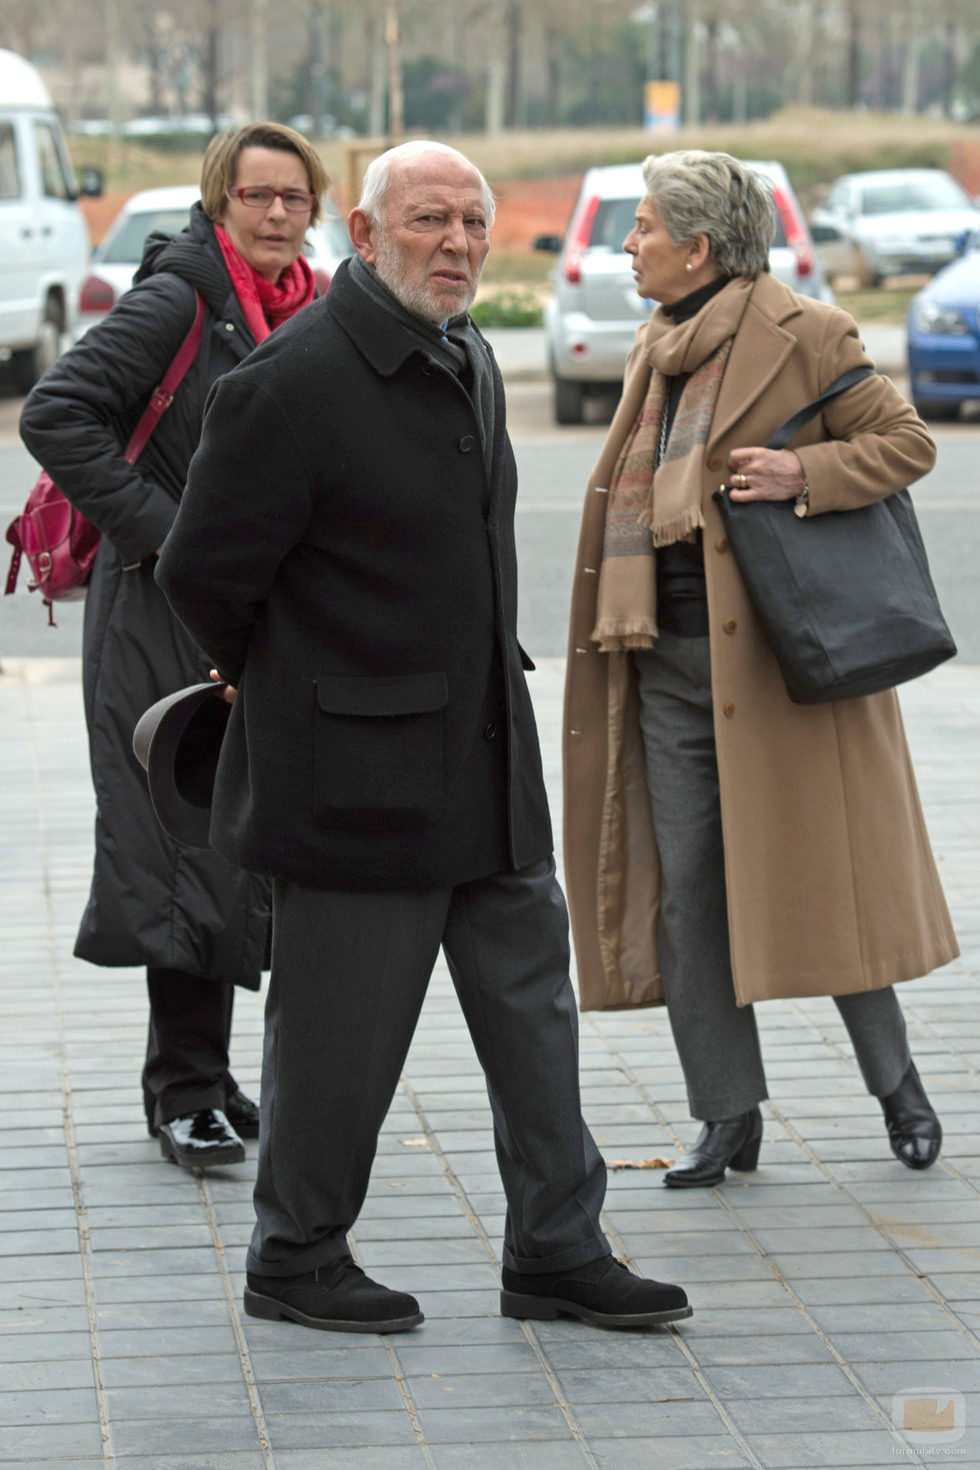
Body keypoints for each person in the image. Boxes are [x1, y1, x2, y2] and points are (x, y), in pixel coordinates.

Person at [155, 140, 692, 1335]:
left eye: (471, 223)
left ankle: (555, 1247)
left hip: (487, 767)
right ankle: (294, 1257)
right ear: (364, 228)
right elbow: (204, 574)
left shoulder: (470, 353)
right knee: (340, 1046)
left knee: (532, 1020)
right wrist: (282, 680)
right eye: (428, 221)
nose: (455, 243)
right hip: (352, 781)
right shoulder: (290, 383)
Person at [563, 150, 957, 1189]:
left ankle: (896, 1085)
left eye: (641, 227)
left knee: (825, 883)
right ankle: (725, 1117)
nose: (627, 245)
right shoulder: (655, 348)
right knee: (689, 898)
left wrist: (803, 473)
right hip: (663, 659)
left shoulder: (805, 332)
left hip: (786, 664)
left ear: (696, 246)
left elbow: (905, 443)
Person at [19, 122, 329, 1172]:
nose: (278, 215)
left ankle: (208, 1073)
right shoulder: (179, 298)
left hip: (250, 616)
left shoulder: (311, 303)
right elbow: (58, 413)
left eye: (295, 197)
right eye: (257, 197)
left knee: (239, 841)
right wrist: (169, 535)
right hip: (159, 611)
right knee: (185, 837)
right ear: (217, 203)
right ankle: (183, 1089)